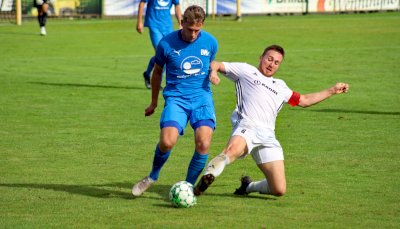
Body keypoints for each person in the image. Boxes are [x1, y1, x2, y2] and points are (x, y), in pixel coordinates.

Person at [194, 45, 350, 197]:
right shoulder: (246, 71)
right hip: (247, 126)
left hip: (268, 136)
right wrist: (213, 72)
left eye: (276, 62)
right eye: (269, 59)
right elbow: (217, 64)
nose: (271, 64)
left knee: (279, 189)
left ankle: (248, 186)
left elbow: (304, 100)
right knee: (231, 152)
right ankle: (207, 178)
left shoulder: (281, 86)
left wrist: (332, 90)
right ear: (261, 58)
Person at [132, 5, 219, 197]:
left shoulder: (211, 42)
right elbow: (156, 73)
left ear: (202, 25)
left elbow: (211, 63)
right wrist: (154, 102)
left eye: (197, 30)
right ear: (182, 23)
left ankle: (187, 187)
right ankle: (152, 176)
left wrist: (213, 72)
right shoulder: (166, 44)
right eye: (190, 29)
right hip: (176, 99)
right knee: (167, 142)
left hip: (202, 98)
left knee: (203, 143)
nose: (194, 34)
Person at [136, 0, 182, 89]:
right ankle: (157, 81)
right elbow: (142, 3)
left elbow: (177, 5)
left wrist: (180, 22)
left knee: (166, 55)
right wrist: (139, 22)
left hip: (168, 26)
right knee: (161, 53)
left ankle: (147, 74)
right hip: (154, 25)